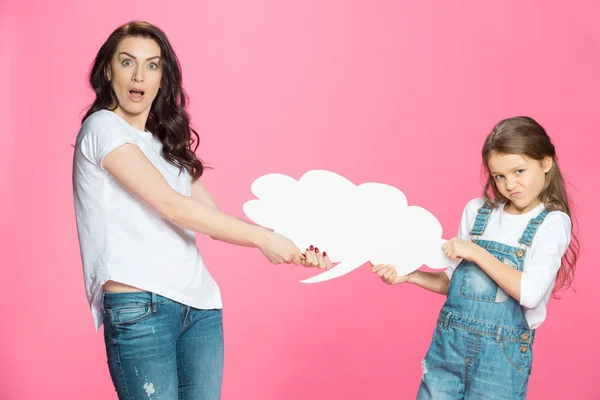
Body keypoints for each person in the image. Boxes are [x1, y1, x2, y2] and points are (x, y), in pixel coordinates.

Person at [72, 21, 330, 400]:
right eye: (127, 62)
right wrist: (264, 239)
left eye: (153, 65)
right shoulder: (102, 128)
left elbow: (210, 216)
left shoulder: (163, 145)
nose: (139, 75)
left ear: (163, 77)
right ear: (108, 70)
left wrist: (288, 247)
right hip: (141, 307)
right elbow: (171, 206)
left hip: (201, 308)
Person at [371, 116, 579, 399]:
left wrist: (476, 252)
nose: (510, 184)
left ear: (546, 163)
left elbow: (529, 293)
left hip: (501, 356)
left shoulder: (553, 223)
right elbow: (454, 282)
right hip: (449, 345)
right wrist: (410, 276)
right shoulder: (477, 211)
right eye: (499, 176)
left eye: (519, 171)